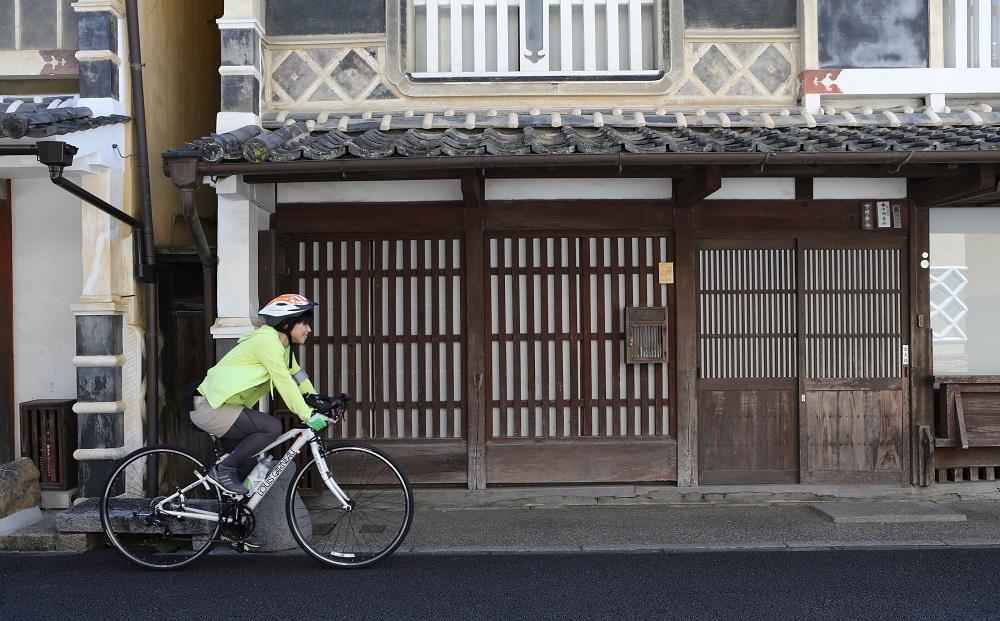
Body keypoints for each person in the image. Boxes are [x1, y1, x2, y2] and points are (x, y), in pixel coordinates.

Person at [189, 293, 331, 495]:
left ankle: (234, 515)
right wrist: (307, 416)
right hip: (211, 407)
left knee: (250, 468)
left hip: (226, 409)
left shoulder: (284, 348)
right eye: (304, 324)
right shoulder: (267, 342)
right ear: (287, 323)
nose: (309, 329)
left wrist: (319, 402)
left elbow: (298, 378)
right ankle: (222, 470)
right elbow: (284, 382)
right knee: (271, 427)